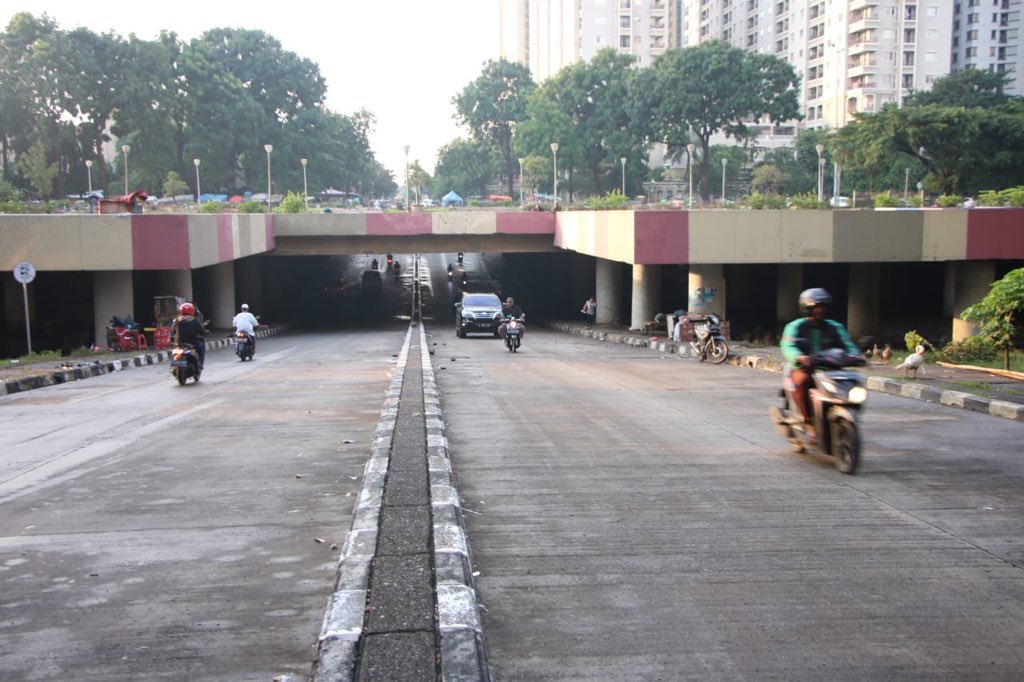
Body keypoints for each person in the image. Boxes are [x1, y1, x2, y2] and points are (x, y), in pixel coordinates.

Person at [780, 288, 862, 440]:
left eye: (823, 307)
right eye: (816, 307)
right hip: (804, 369)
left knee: (853, 384)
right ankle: (808, 421)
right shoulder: (795, 327)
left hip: (831, 370)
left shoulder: (835, 327)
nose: (820, 310)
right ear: (807, 308)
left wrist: (856, 356)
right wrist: (799, 357)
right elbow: (787, 346)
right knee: (802, 382)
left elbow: (848, 345)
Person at [171, 302, 206, 368]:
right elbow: (202, 331)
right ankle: (200, 364)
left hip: (179, 343)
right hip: (193, 342)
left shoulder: (177, 320)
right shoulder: (194, 320)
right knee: (201, 347)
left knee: (174, 352)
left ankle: (174, 366)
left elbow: (172, 331)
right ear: (192, 311)